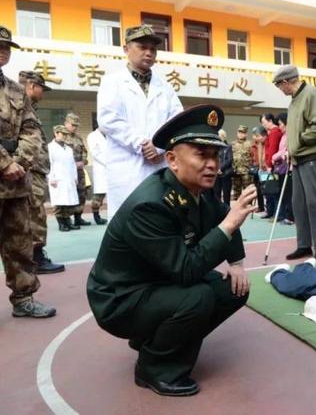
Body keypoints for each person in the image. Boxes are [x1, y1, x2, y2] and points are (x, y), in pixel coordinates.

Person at [87, 104, 257, 396]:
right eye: (201, 155)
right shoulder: (150, 205)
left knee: (233, 289)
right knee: (198, 296)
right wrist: (230, 222)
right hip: (121, 298)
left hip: (156, 283)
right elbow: (187, 269)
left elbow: (223, 215)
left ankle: (155, 340)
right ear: (172, 160)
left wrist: (237, 263)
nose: (213, 164)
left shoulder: (196, 191)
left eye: (216, 155)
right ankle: (154, 369)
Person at [97, 24, 183, 219]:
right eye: (142, 47)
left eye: (153, 49)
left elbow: (177, 121)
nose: (148, 53)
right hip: (127, 166)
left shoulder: (166, 87)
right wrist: (142, 145)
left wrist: (159, 147)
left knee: (160, 219)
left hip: (159, 164)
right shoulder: (112, 82)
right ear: (126, 49)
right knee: (127, 221)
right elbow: (108, 120)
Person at [0, 25, 56, 318]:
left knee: (19, 242)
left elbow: (32, 130)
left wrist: (19, 161)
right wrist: (4, 162)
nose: (3, 50)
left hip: (16, 180)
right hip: (6, 169)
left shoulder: (16, 90)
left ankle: (23, 299)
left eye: (7, 46)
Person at [273, 65, 316, 264]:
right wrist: (292, 149)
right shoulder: (294, 101)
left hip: (312, 158)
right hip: (298, 159)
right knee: (299, 205)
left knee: (314, 204)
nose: (280, 90)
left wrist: (298, 142)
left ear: (287, 82)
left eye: (279, 85)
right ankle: (304, 245)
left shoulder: (312, 94)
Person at [18, 70, 64, 274]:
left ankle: (34, 257)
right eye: (41, 88)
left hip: (35, 171)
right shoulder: (18, 107)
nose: (42, 93)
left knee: (34, 214)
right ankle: (35, 259)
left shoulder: (29, 108)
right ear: (31, 86)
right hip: (27, 170)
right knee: (33, 215)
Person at [48, 125, 79, 232]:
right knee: (58, 203)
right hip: (57, 178)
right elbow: (48, 164)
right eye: (63, 134)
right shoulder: (50, 148)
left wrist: (75, 177)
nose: (65, 136)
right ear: (56, 133)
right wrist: (51, 178)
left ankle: (68, 222)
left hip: (68, 178)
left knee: (67, 202)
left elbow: (73, 164)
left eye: (66, 134)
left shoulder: (69, 149)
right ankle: (61, 224)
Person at [62, 112, 91, 226]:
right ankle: (67, 219)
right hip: (67, 172)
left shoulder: (78, 138)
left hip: (79, 171)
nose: (74, 127)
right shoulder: (61, 137)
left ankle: (78, 217)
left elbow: (84, 151)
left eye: (76, 126)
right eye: (72, 125)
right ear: (66, 123)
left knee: (81, 193)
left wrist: (83, 161)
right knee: (68, 194)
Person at [261, 113, 284, 219]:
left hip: (272, 165)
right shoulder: (272, 132)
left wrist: (269, 165)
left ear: (270, 121)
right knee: (268, 190)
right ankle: (270, 211)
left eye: (264, 122)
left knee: (273, 190)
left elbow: (272, 149)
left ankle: (276, 213)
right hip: (269, 165)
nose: (263, 125)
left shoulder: (275, 132)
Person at [273, 112, 294, 224]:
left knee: (289, 193)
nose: (279, 126)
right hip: (281, 167)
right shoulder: (283, 136)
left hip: (289, 168)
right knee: (284, 193)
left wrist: (275, 156)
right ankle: (286, 214)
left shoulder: (290, 135)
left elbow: (286, 150)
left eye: (280, 124)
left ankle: (290, 216)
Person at [87, 127, 108, 225]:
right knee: (99, 195)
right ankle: (96, 216)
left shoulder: (109, 135)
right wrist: (109, 162)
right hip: (101, 168)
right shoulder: (92, 136)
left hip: (112, 169)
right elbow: (96, 153)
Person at [231, 125, 253, 200]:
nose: (241, 134)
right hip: (236, 171)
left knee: (248, 190)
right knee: (236, 191)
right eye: (239, 132)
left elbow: (252, 156)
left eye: (243, 133)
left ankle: (248, 206)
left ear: (246, 134)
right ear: (237, 133)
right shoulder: (233, 144)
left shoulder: (249, 144)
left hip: (246, 171)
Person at [213, 129, 233, 205]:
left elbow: (229, 160)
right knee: (216, 193)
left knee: (226, 194)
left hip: (226, 173)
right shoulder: (215, 147)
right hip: (216, 174)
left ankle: (227, 210)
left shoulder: (228, 147)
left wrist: (220, 168)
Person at [250, 126, 267, 214]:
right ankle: (261, 207)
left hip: (264, 169)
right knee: (258, 189)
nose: (255, 137)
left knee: (266, 188)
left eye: (256, 135)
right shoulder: (253, 145)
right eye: (254, 135)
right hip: (256, 168)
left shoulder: (264, 144)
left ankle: (268, 208)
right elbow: (251, 157)